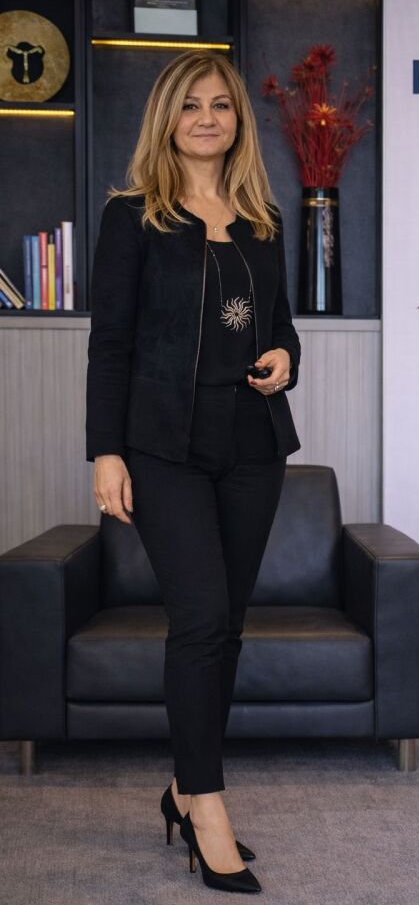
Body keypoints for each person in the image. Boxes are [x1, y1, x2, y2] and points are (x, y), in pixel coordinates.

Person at [85, 49, 302, 894]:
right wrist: (106, 451)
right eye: (190, 105)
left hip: (252, 443)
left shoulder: (263, 217)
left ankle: (182, 788)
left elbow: (279, 325)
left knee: (228, 626)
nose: (207, 118)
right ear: (166, 119)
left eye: (221, 104)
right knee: (201, 619)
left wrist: (285, 358)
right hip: (162, 446)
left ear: (237, 119)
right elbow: (111, 344)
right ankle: (207, 807)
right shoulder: (131, 217)